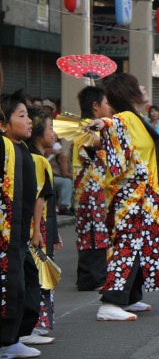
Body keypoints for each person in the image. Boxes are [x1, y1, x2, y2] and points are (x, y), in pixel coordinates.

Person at [89, 73, 159, 321]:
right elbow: (112, 123)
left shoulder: (137, 119)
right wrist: (102, 124)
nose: (144, 87)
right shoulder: (126, 117)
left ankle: (129, 297)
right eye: (139, 85)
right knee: (127, 246)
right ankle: (110, 302)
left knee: (140, 247)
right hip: (131, 198)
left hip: (142, 196)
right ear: (130, 94)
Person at [0, 89, 42, 358]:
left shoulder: (21, 149)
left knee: (23, 284)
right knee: (10, 286)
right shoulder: (3, 147)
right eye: (22, 115)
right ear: (3, 124)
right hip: (6, 234)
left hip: (19, 233)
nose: (29, 121)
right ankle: (6, 343)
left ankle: (11, 339)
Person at [26, 109, 60, 345]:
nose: (54, 133)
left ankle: (35, 323)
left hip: (37, 228)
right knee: (40, 276)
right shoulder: (38, 161)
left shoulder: (35, 158)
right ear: (39, 133)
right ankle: (35, 324)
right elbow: (40, 198)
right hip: (36, 229)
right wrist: (39, 231)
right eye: (50, 128)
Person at [73, 86, 111, 293]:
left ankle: (92, 277)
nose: (108, 108)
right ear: (95, 106)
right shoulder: (86, 127)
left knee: (94, 232)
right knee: (93, 233)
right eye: (106, 103)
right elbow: (97, 142)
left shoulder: (91, 125)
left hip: (95, 191)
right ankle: (92, 278)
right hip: (89, 192)